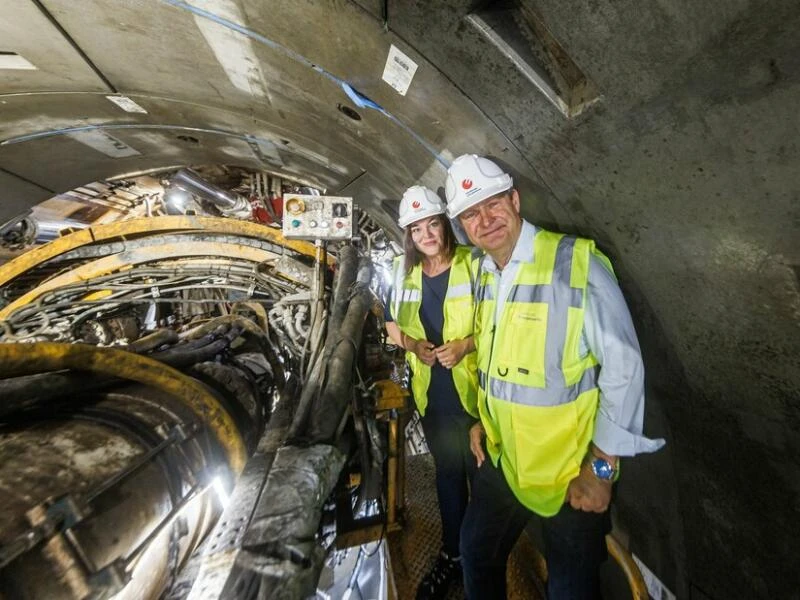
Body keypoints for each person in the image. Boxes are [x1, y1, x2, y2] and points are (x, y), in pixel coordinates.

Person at [443, 154, 665, 599]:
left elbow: (624, 368)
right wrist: (483, 421)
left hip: (571, 473)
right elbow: (497, 360)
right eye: (470, 214)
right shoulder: (487, 274)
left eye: (492, 204)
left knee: (571, 588)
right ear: (462, 227)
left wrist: (600, 470)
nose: (484, 220)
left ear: (515, 199)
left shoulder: (573, 264)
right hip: (506, 461)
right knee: (476, 548)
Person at [384, 185, 480, 600]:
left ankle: (481, 556)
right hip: (435, 396)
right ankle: (455, 557)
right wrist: (411, 345)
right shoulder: (402, 274)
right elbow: (391, 324)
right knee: (448, 475)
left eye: (433, 224)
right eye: (417, 228)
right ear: (409, 235)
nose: (427, 234)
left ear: (446, 226)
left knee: (485, 478)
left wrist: (466, 345)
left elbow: (501, 322)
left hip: (478, 394)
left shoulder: (474, 265)